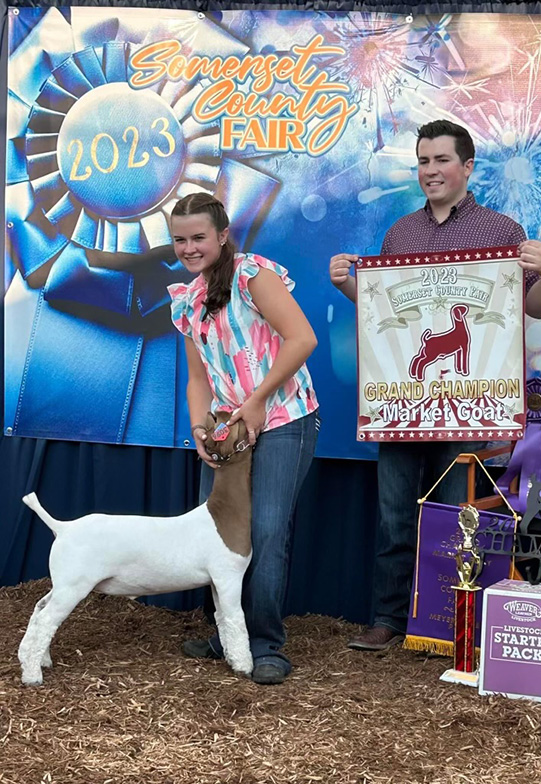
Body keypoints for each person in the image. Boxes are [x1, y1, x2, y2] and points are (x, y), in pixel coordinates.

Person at [329, 119, 541, 651]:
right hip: (405, 409)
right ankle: (387, 619)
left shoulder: (501, 230)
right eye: (422, 161)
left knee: (459, 519)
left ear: (468, 166)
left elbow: (534, 309)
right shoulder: (400, 234)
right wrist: (349, 287)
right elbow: (385, 317)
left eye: (440, 160)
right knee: (393, 518)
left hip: (468, 408)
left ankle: (453, 626)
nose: (430, 170)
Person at [168, 193, 319, 684]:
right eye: (180, 239)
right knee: (221, 536)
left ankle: (266, 644)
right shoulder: (186, 302)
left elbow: (302, 339)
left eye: (198, 238)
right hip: (228, 432)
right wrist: (198, 427)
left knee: (268, 532)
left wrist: (256, 401)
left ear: (222, 235)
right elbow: (197, 379)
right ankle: (229, 635)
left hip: (283, 418)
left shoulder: (253, 274)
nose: (190, 247)